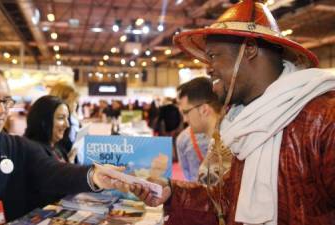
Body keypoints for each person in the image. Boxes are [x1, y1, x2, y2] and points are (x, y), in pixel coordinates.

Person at [126, 1, 335, 224]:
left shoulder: (323, 120)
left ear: (250, 49)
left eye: (214, 56)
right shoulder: (246, 124)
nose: (208, 68)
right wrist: (171, 191)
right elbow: (228, 203)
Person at [0, 65, 125, 225]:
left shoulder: (19, 148)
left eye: (6, 101)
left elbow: (54, 171)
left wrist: (94, 175)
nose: (1, 110)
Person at [175, 77, 222, 181]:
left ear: (204, 110)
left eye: (186, 112)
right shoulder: (230, 136)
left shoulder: (231, 143)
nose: (184, 119)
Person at [24, 95, 71, 163]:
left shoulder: (58, 148)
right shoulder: (35, 153)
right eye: (61, 118)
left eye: (67, 118)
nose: (67, 125)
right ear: (43, 121)